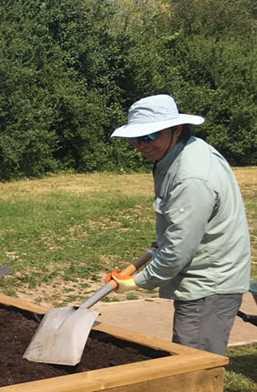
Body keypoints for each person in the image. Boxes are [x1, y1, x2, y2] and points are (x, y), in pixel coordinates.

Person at [105, 94, 251, 355]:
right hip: (205, 279)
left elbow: (178, 250)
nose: (141, 145)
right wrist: (156, 247)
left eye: (149, 136)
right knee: (191, 359)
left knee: (194, 365)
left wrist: (138, 282)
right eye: (135, 139)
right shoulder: (181, 153)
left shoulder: (191, 176)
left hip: (209, 285)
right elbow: (181, 227)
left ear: (176, 129)